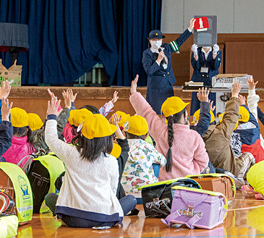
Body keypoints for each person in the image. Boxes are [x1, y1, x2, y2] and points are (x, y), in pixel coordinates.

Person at [44, 98, 136, 228]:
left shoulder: (71, 153)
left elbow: (51, 139)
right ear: (107, 139)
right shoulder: (111, 161)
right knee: (131, 200)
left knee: (50, 197)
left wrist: (52, 116)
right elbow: (112, 191)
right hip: (104, 218)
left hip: (73, 219)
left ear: (81, 135)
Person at [129, 75, 208, 181]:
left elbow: (146, 112)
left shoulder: (160, 131)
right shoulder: (195, 137)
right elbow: (203, 162)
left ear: (165, 118)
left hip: (164, 187)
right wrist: (192, 171)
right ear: (185, 114)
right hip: (189, 186)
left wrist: (134, 93)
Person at [201, 80, 255, 182]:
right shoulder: (221, 132)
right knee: (249, 156)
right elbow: (231, 116)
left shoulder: (195, 135)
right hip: (228, 174)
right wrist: (234, 95)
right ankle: (246, 183)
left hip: (206, 176)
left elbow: (230, 117)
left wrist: (205, 111)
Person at [142, 18, 195, 114]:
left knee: (169, 111)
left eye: (159, 39)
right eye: (154, 40)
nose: (157, 41)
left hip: (168, 84)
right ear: (150, 41)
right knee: (157, 112)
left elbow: (179, 41)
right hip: (156, 87)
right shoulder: (147, 53)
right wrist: (158, 60)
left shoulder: (166, 48)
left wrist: (190, 28)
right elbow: (149, 71)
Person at [121, 115, 166, 200]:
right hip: (147, 196)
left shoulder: (121, 147)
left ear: (124, 133)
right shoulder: (149, 148)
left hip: (123, 195)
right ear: (147, 135)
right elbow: (163, 161)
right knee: (155, 165)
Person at [190, 44, 222, 115]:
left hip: (211, 83)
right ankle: (196, 123)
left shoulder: (217, 51)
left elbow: (215, 67)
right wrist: (195, 54)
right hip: (198, 82)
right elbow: (196, 67)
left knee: (211, 105)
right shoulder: (197, 50)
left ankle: (211, 122)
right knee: (197, 106)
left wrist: (214, 55)